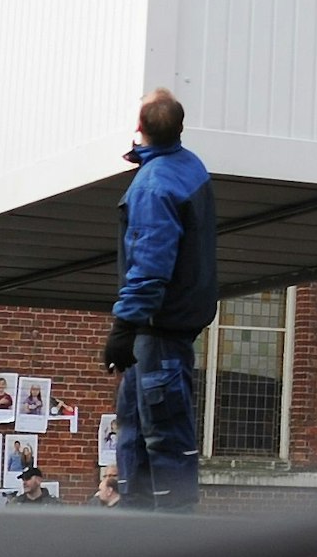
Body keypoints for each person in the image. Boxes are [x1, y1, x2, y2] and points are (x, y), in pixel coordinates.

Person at [101, 88, 217, 512]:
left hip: (156, 330)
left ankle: (164, 528)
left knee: (159, 438)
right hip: (165, 329)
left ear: (139, 127)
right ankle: (147, 519)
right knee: (139, 433)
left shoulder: (153, 186)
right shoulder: (189, 168)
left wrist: (123, 326)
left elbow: (150, 268)